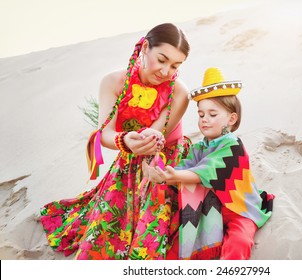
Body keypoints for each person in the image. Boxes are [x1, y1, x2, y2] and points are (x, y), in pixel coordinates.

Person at [40, 23, 192, 260]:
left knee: (151, 232)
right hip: (129, 156)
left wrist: (141, 145)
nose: (166, 71)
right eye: (161, 59)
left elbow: (153, 136)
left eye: (175, 65)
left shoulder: (180, 93)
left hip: (166, 162)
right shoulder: (112, 82)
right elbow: (105, 134)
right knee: (104, 231)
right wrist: (124, 140)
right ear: (144, 48)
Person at [143, 67, 274, 260]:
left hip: (239, 208)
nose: (204, 120)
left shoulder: (232, 145)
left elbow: (208, 171)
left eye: (212, 114)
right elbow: (185, 167)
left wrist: (176, 176)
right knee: (180, 242)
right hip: (210, 209)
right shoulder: (199, 147)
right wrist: (164, 174)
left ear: (231, 118)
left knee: (239, 242)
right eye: (201, 114)